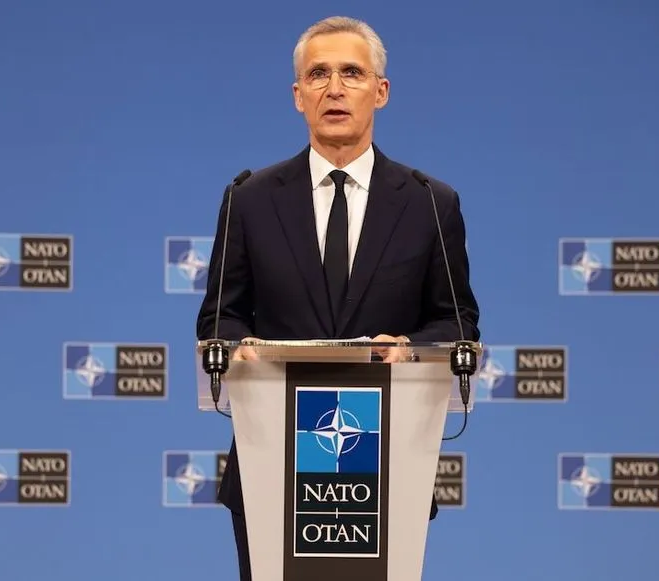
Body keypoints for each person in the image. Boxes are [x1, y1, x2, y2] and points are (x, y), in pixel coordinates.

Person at [195, 15, 480, 581]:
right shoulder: (248, 199)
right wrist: (238, 348)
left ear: (381, 91)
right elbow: (219, 317)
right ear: (298, 96)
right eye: (318, 74)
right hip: (272, 461)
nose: (334, 87)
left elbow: (456, 323)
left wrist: (410, 349)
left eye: (351, 72)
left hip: (387, 460)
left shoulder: (429, 202)